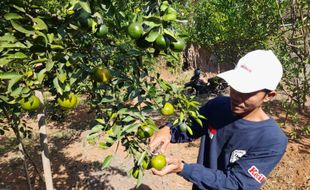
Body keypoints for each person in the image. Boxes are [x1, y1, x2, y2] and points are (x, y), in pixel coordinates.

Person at [150, 50, 288, 190]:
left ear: (269, 95)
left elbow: (236, 184)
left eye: (248, 92)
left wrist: (184, 168)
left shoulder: (272, 140)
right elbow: (189, 128)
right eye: (237, 86)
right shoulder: (218, 105)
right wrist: (168, 130)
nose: (237, 96)